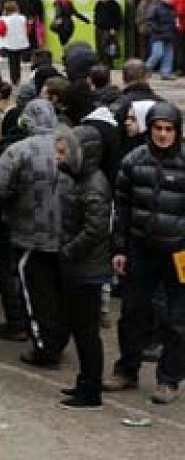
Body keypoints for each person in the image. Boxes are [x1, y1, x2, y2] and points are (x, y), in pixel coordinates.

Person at [106, 101, 185, 403]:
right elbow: (121, 209)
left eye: (169, 129)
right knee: (132, 314)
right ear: (149, 129)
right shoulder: (133, 161)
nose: (163, 135)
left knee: (177, 321)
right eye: (157, 128)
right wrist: (119, 248)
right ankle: (127, 369)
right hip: (141, 249)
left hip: (179, 253)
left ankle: (169, 379)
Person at [0, 99, 62, 366]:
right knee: (57, 289)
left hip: (28, 230)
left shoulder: (18, 150)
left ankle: (44, 346)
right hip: (64, 232)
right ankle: (58, 338)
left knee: (34, 291)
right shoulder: (67, 145)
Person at [50, 125, 112, 409]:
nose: (59, 156)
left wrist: (68, 251)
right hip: (79, 267)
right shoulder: (79, 179)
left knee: (86, 332)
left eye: (64, 151)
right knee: (80, 328)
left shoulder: (93, 183)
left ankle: (91, 389)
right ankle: (85, 382)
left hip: (86, 269)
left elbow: (95, 229)